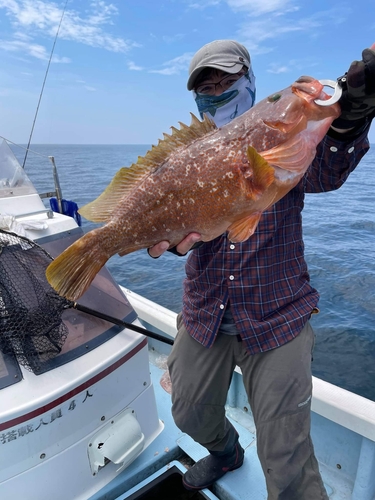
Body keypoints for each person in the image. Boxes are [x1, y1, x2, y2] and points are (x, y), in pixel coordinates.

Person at [148, 39, 375, 499]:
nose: (216, 92)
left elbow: (327, 171)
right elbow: (172, 224)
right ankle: (228, 450)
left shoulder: (281, 140)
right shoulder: (189, 156)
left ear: (249, 81)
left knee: (286, 458)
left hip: (278, 315)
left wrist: (351, 114)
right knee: (188, 412)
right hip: (205, 310)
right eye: (205, 87)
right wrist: (170, 237)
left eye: (226, 81)